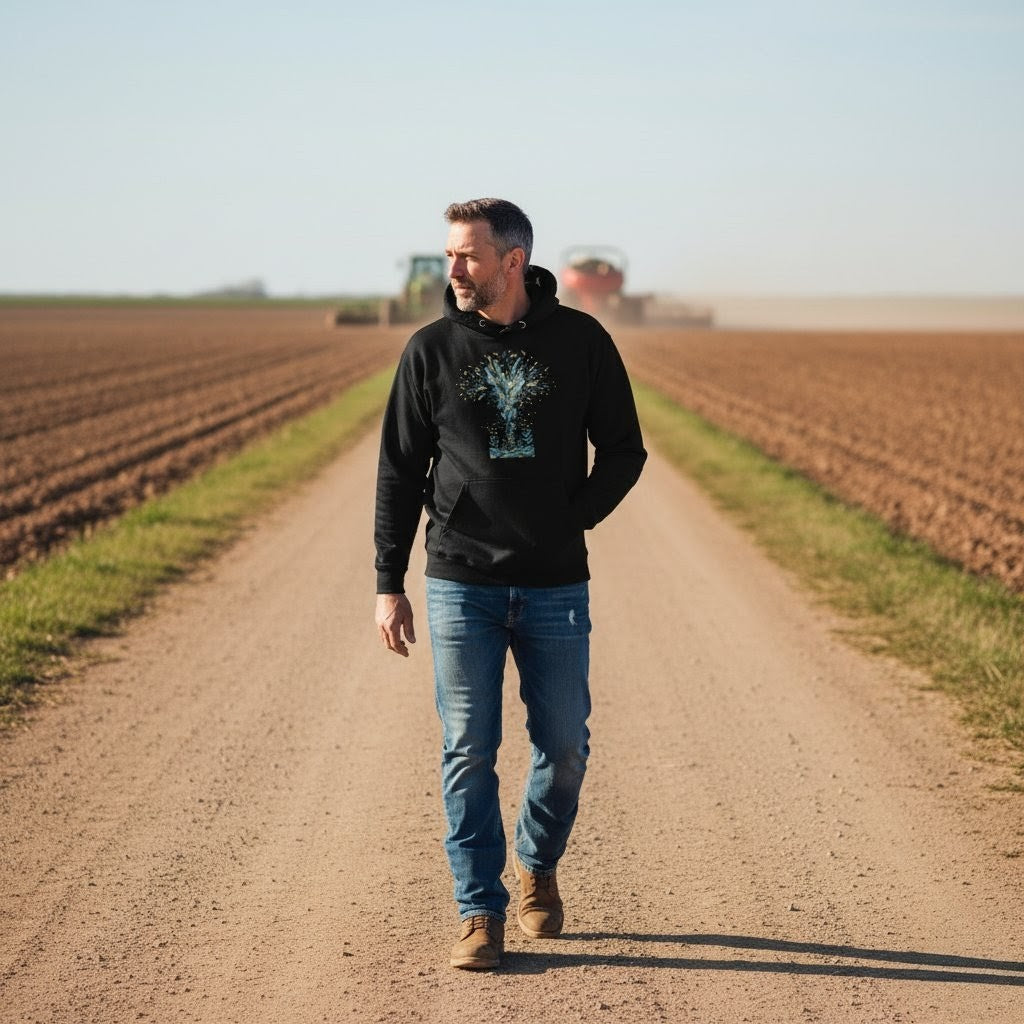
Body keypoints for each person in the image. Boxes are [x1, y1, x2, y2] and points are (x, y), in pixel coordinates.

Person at [374, 198, 646, 970]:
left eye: (467, 255)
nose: (453, 269)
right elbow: (399, 470)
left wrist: (572, 520)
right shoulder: (430, 350)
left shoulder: (581, 341)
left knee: (564, 749)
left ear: (513, 261)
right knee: (468, 749)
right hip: (462, 581)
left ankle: (536, 863)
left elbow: (625, 451)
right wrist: (388, 581)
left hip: (556, 584)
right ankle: (478, 912)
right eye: (450, 254)